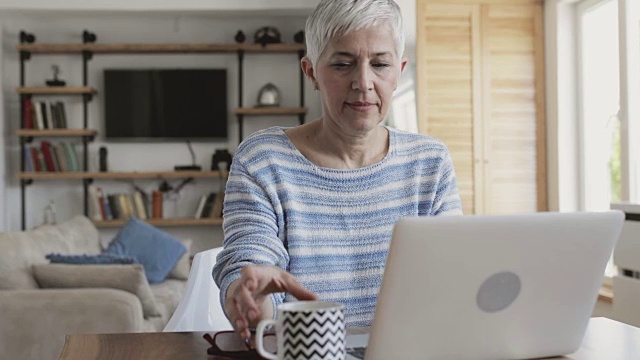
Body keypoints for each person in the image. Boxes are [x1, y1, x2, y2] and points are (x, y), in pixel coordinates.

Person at [213, 0, 462, 341]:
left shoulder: (429, 162)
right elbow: (250, 260)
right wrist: (252, 295)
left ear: (399, 71)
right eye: (343, 64)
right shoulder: (263, 159)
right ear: (311, 72)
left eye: (380, 64)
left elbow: (452, 275)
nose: (363, 82)